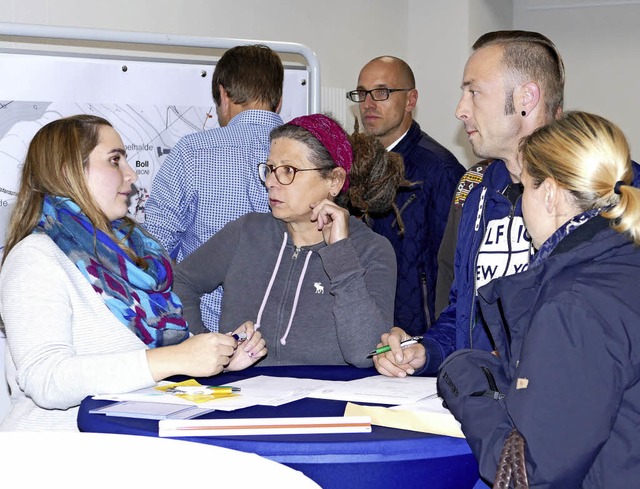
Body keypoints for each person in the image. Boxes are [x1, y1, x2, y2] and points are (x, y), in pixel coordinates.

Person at [0, 115, 266, 431]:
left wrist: (220, 358)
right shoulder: (35, 257)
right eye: (115, 160)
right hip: (59, 458)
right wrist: (179, 358)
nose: (130, 175)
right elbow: (46, 379)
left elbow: (142, 355)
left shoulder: (133, 252)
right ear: (68, 171)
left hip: (130, 446)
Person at [438, 111, 640, 488]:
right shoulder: (619, 268)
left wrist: (464, 381)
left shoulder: (575, 304)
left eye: (524, 188)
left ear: (549, 193)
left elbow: (525, 474)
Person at [374, 30, 567, 378]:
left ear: (526, 97)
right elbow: (462, 313)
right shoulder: (478, 193)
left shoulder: (607, 190)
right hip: (477, 404)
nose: (460, 110)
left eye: (474, 92)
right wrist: (425, 351)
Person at [174, 114, 406, 367]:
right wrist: (204, 344)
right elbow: (179, 281)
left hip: (327, 403)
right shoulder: (247, 232)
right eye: (270, 169)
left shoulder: (371, 250)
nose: (272, 182)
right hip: (243, 396)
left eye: (288, 170)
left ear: (334, 181)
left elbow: (366, 353)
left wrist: (340, 255)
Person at [144, 44, 284, 332]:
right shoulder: (312, 155)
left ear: (223, 95)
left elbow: (156, 250)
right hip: (289, 334)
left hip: (208, 335)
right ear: (279, 100)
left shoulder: (192, 152)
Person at [349, 56, 465, 337]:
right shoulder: (355, 164)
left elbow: (452, 269)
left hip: (417, 338)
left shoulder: (440, 169)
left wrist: (435, 341)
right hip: (364, 326)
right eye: (362, 93)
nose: (368, 103)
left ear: (410, 100)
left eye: (381, 92)